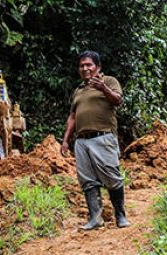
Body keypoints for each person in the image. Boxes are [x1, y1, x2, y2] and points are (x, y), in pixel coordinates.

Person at [59, 50, 130, 230]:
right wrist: (66, 140)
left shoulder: (109, 81)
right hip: (82, 141)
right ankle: (95, 218)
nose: (85, 68)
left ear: (98, 67)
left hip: (103, 137)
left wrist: (103, 89)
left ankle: (120, 216)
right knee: (88, 180)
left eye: (89, 65)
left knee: (111, 177)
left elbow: (118, 101)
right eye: (82, 65)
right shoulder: (79, 90)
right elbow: (73, 116)